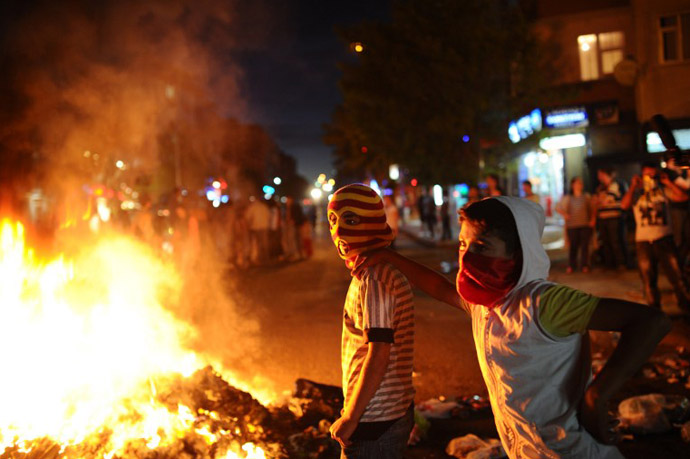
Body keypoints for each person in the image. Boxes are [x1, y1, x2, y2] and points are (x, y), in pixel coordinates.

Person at [354, 197, 670, 458]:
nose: (466, 257)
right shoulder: (483, 305)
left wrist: (596, 397)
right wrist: (387, 256)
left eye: (481, 247)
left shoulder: (543, 301)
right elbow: (437, 286)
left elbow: (650, 322)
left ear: (517, 252)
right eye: (463, 246)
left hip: (573, 451)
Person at [327, 184, 415, 459]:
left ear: (372, 222)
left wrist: (351, 417)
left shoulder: (374, 279)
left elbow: (379, 353)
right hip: (385, 410)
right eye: (333, 220)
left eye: (351, 220)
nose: (339, 231)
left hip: (375, 416)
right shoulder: (375, 271)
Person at [621, 161, 690, 313]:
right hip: (644, 242)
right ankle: (655, 313)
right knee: (648, 281)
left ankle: (686, 310)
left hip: (665, 239)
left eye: (653, 175)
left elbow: (683, 197)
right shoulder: (637, 194)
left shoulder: (664, 190)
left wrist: (667, 181)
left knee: (678, 278)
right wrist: (633, 186)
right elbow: (624, 205)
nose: (650, 178)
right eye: (647, 175)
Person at [556, 177, 596, 273]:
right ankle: (571, 265)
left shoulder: (586, 196)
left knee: (584, 246)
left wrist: (592, 219)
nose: (579, 185)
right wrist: (565, 214)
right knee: (573, 246)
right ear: (572, 185)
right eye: (577, 183)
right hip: (572, 225)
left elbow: (593, 208)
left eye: (580, 183)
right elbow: (557, 207)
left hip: (584, 224)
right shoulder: (568, 198)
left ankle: (585, 265)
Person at [595, 167, 630, 269]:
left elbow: (607, 200)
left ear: (604, 173)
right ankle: (610, 264)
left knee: (616, 241)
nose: (598, 177)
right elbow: (598, 201)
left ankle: (621, 263)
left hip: (614, 217)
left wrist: (601, 200)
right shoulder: (601, 187)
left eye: (600, 174)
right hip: (603, 217)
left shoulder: (615, 184)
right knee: (606, 241)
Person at [244, 195, 271, 266]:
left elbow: (247, 217)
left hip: (255, 228)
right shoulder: (264, 207)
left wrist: (249, 224)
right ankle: (266, 258)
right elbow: (268, 216)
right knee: (264, 243)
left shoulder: (252, 207)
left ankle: (258, 259)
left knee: (257, 244)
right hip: (264, 227)